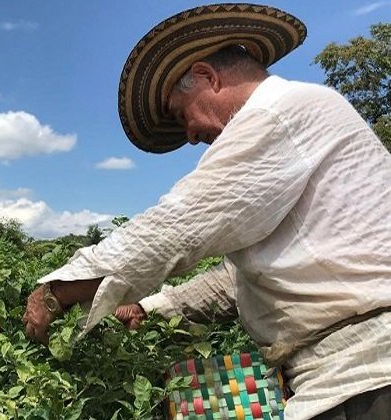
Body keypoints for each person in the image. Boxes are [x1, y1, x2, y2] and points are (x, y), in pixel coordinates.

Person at [22, 4, 391, 419]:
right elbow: (238, 281)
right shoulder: (293, 125)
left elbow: (175, 228)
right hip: (349, 378)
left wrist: (55, 291)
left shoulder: (280, 113)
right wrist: (148, 307)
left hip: (368, 382)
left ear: (207, 76)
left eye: (182, 115)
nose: (191, 135)